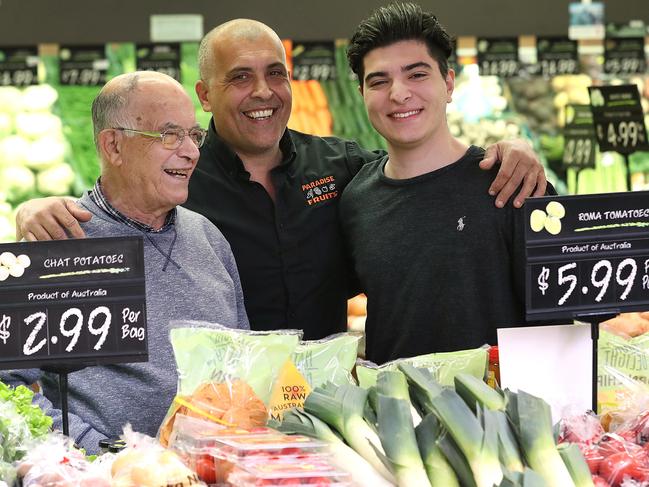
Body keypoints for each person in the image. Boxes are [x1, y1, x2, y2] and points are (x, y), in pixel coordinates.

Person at [15, 19, 548, 340]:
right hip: (231, 409)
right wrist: (34, 210)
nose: (264, 92)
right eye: (240, 77)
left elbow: (417, 174)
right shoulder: (179, 177)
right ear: (206, 96)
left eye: (275, 74)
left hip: (329, 402)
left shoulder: (344, 169)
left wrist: (508, 152)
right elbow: (113, 198)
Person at [1, 71, 249, 453]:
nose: (191, 151)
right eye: (170, 135)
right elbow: (8, 389)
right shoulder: (56, 242)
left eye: (194, 135)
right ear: (114, 146)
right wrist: (102, 453)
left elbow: (242, 367)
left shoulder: (209, 238)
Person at [340, 3, 551, 364]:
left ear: (449, 83)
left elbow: (560, 323)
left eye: (417, 74)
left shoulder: (511, 182)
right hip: (396, 413)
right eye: (379, 81)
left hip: (501, 415)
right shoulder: (356, 200)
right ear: (362, 93)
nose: (398, 93)